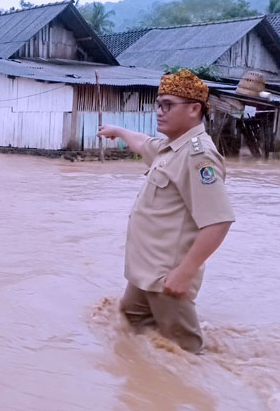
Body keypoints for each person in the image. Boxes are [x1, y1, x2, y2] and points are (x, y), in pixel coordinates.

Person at [96, 69, 235, 353]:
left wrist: (184, 273)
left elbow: (218, 222)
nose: (159, 112)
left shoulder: (198, 155)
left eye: (168, 105)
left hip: (166, 278)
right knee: (132, 321)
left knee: (185, 352)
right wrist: (119, 131)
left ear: (195, 109)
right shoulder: (171, 147)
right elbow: (141, 142)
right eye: (158, 104)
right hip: (145, 271)